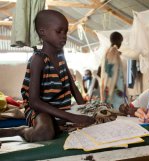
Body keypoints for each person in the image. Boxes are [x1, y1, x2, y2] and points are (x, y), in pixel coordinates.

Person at [0, 10, 95, 142]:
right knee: (44, 133)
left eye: (65, 32)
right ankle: (20, 130)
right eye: (59, 31)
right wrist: (72, 117)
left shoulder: (61, 56)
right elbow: (34, 101)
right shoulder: (38, 60)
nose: (64, 36)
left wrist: (84, 110)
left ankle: (59, 124)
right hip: (39, 110)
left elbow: (72, 86)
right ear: (43, 32)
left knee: (92, 122)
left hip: (60, 109)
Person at [100, 31, 125, 110]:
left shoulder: (107, 52)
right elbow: (111, 73)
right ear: (119, 41)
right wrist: (116, 88)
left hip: (111, 86)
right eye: (121, 41)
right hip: (114, 88)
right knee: (116, 111)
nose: (121, 44)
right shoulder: (113, 52)